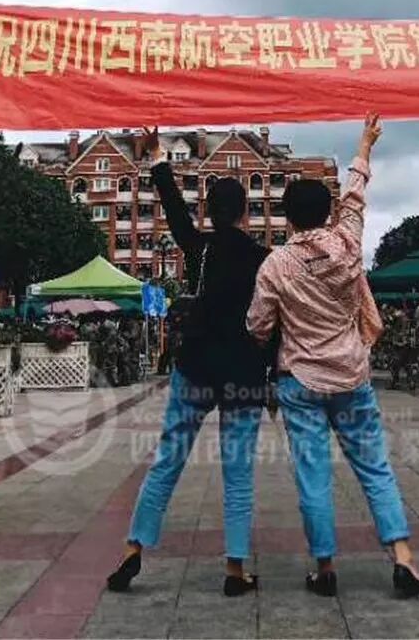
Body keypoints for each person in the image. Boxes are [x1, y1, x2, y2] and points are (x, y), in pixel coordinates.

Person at [247, 115, 419, 600]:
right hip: (351, 374)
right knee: (374, 468)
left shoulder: (275, 264)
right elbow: (356, 195)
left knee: (313, 477)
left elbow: (258, 326)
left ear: (287, 218)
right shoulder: (348, 242)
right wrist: (365, 144)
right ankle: (403, 559)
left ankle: (325, 567)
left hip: (300, 379)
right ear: (327, 213)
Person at [107, 127, 270, 598]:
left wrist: (158, 155)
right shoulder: (264, 258)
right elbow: (271, 319)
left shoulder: (199, 247)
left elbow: (173, 207)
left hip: (195, 366)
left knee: (168, 459)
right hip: (242, 372)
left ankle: (134, 549)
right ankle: (235, 569)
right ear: (244, 211)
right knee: (238, 473)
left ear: (209, 212)